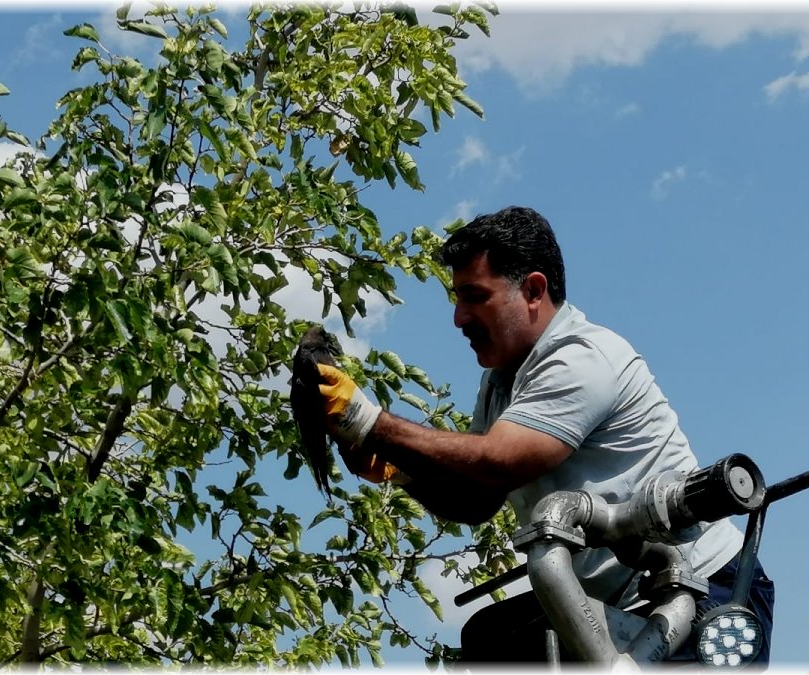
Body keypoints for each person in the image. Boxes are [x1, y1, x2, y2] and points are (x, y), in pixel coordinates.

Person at [312, 206, 775, 665]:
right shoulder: (501, 383)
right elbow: (478, 499)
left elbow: (500, 460)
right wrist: (400, 470)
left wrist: (367, 422)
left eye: (474, 296)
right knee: (489, 640)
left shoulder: (583, 357)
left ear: (533, 290)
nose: (458, 317)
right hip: (618, 604)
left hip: (706, 591)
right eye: (457, 299)